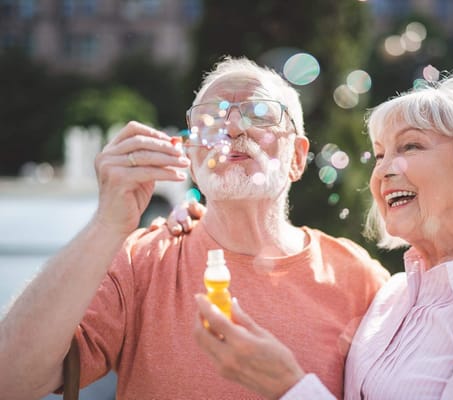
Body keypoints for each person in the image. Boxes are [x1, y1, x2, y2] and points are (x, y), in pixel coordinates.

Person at [191, 68, 453, 399]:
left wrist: (289, 387)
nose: (384, 170)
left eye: (411, 147)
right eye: (381, 153)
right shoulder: (392, 294)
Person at [0, 57, 390, 399]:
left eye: (258, 113)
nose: (233, 127)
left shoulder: (358, 278)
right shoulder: (141, 260)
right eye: (213, 116)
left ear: (298, 157)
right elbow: (11, 381)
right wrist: (107, 224)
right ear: (190, 152)